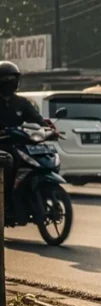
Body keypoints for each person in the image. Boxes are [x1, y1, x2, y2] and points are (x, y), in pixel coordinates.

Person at [0, 61, 46, 218]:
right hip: (2, 145)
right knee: (9, 161)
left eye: (13, 79)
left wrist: (48, 129)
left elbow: (37, 119)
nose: (10, 82)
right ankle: (6, 200)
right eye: (6, 79)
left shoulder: (21, 103)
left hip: (19, 143)